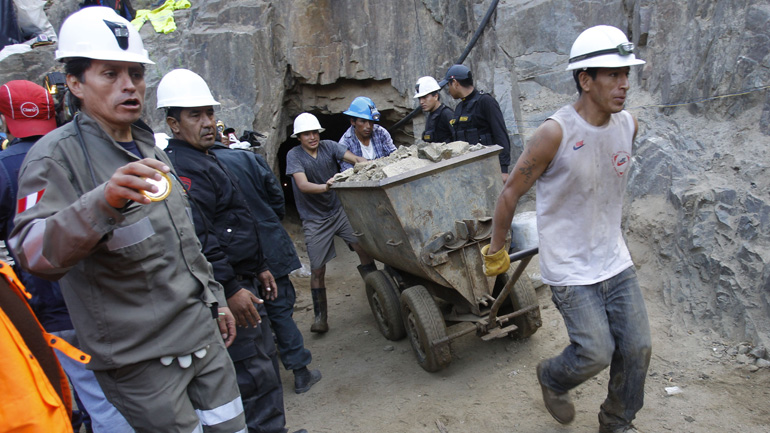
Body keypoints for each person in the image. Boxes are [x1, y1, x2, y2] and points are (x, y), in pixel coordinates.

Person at [9, 8, 245, 432]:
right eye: (110, 74)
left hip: (202, 337)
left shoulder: (150, 147)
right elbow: (33, 253)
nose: (129, 85)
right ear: (75, 83)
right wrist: (102, 203)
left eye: (135, 74)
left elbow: (184, 241)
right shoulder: (54, 158)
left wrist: (216, 298)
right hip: (142, 362)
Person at [481, 25, 651, 433]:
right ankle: (553, 377)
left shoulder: (628, 125)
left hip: (614, 259)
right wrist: (496, 249)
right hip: (570, 267)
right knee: (595, 352)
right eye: (613, 74)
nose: (624, 84)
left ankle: (616, 421)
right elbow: (510, 193)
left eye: (626, 74)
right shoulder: (554, 133)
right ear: (585, 80)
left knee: (638, 347)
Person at [159, 69, 307, 433]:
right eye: (195, 115)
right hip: (231, 290)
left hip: (246, 279)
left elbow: (236, 221)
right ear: (173, 124)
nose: (208, 122)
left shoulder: (206, 158)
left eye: (209, 113)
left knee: (263, 363)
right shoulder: (183, 170)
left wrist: (259, 266)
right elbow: (201, 237)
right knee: (252, 374)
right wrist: (230, 287)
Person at [0, 79, 133, 433]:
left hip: (48, 304)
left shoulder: (4, 167)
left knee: (94, 399)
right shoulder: (81, 152)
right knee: (125, 393)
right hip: (108, 297)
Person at [211, 139, 322, 394]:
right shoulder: (246, 158)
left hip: (228, 259)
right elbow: (275, 195)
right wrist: (267, 221)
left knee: (246, 318)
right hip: (266, 244)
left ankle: (264, 379)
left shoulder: (192, 167)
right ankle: (300, 372)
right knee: (280, 308)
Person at [286, 112, 376, 333]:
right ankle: (320, 318)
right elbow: (303, 185)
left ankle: (377, 292)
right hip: (314, 219)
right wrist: (326, 187)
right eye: (306, 134)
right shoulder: (294, 155)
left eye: (314, 132)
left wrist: (369, 165)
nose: (312, 137)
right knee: (317, 269)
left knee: (362, 247)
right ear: (299, 137)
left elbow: (355, 159)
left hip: (338, 211)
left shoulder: (328, 146)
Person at [444, 64, 511, 179]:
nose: (448, 90)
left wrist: (503, 169)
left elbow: (500, 134)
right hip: (468, 170)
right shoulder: (460, 107)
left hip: (489, 168)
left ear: (455, 83)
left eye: (448, 85)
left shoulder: (486, 101)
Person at [338, 96, 396, 171]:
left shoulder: (381, 133)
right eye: (363, 121)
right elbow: (348, 172)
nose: (368, 126)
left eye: (371, 121)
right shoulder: (345, 143)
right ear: (353, 121)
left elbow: (395, 156)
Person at [413, 76, 453, 143]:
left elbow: (459, 139)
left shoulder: (447, 114)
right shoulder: (431, 116)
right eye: (419, 98)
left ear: (435, 96)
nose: (421, 102)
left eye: (424, 97)